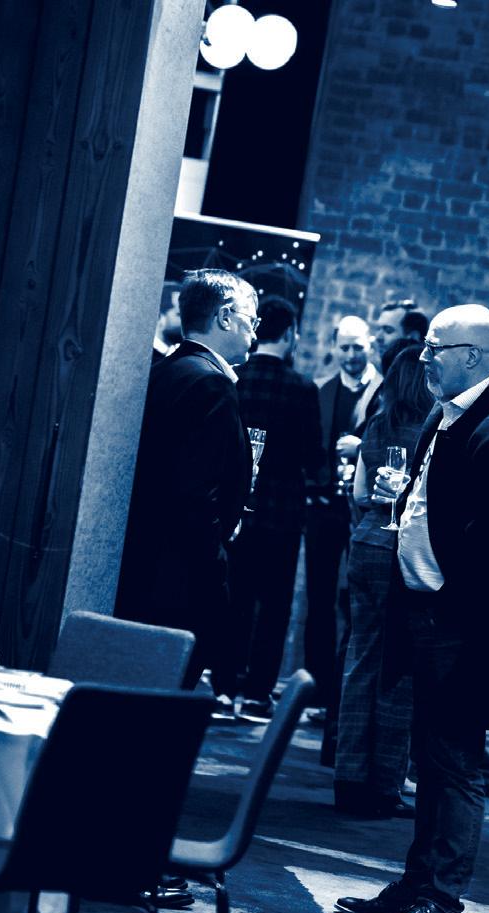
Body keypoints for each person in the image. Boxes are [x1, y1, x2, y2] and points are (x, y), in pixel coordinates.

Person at [334, 304, 489, 913]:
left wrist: (446, 617)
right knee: (429, 758)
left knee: (454, 767)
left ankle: (442, 903)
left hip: (462, 629)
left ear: (473, 357)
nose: (422, 359)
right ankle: (416, 882)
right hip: (427, 613)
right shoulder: (448, 413)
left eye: (434, 348)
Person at [116, 269, 257, 690]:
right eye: (252, 319)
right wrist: (216, 571)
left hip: (140, 566)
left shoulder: (167, 369)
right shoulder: (212, 383)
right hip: (178, 580)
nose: (254, 333)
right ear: (226, 317)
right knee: (162, 701)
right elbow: (195, 495)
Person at [333, 345, 433, 818]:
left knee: (360, 659)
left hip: (366, 541)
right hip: (402, 550)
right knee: (399, 669)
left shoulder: (376, 424)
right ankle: (384, 784)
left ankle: (348, 775)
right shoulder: (431, 430)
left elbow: (358, 493)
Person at [223, 302, 327, 720]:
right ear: (289, 334)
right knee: (275, 606)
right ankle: (257, 693)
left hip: (237, 509)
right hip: (282, 513)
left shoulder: (236, 378)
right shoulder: (302, 388)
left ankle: (224, 686)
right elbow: (313, 457)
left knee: (235, 598)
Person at [306, 316, 382, 719]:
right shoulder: (320, 390)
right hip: (323, 508)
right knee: (318, 598)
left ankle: (343, 696)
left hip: (363, 509)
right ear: (335, 347)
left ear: (370, 345)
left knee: (355, 601)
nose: (351, 355)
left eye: (358, 347)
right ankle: (315, 691)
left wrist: (362, 446)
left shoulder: (384, 391)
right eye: (345, 347)